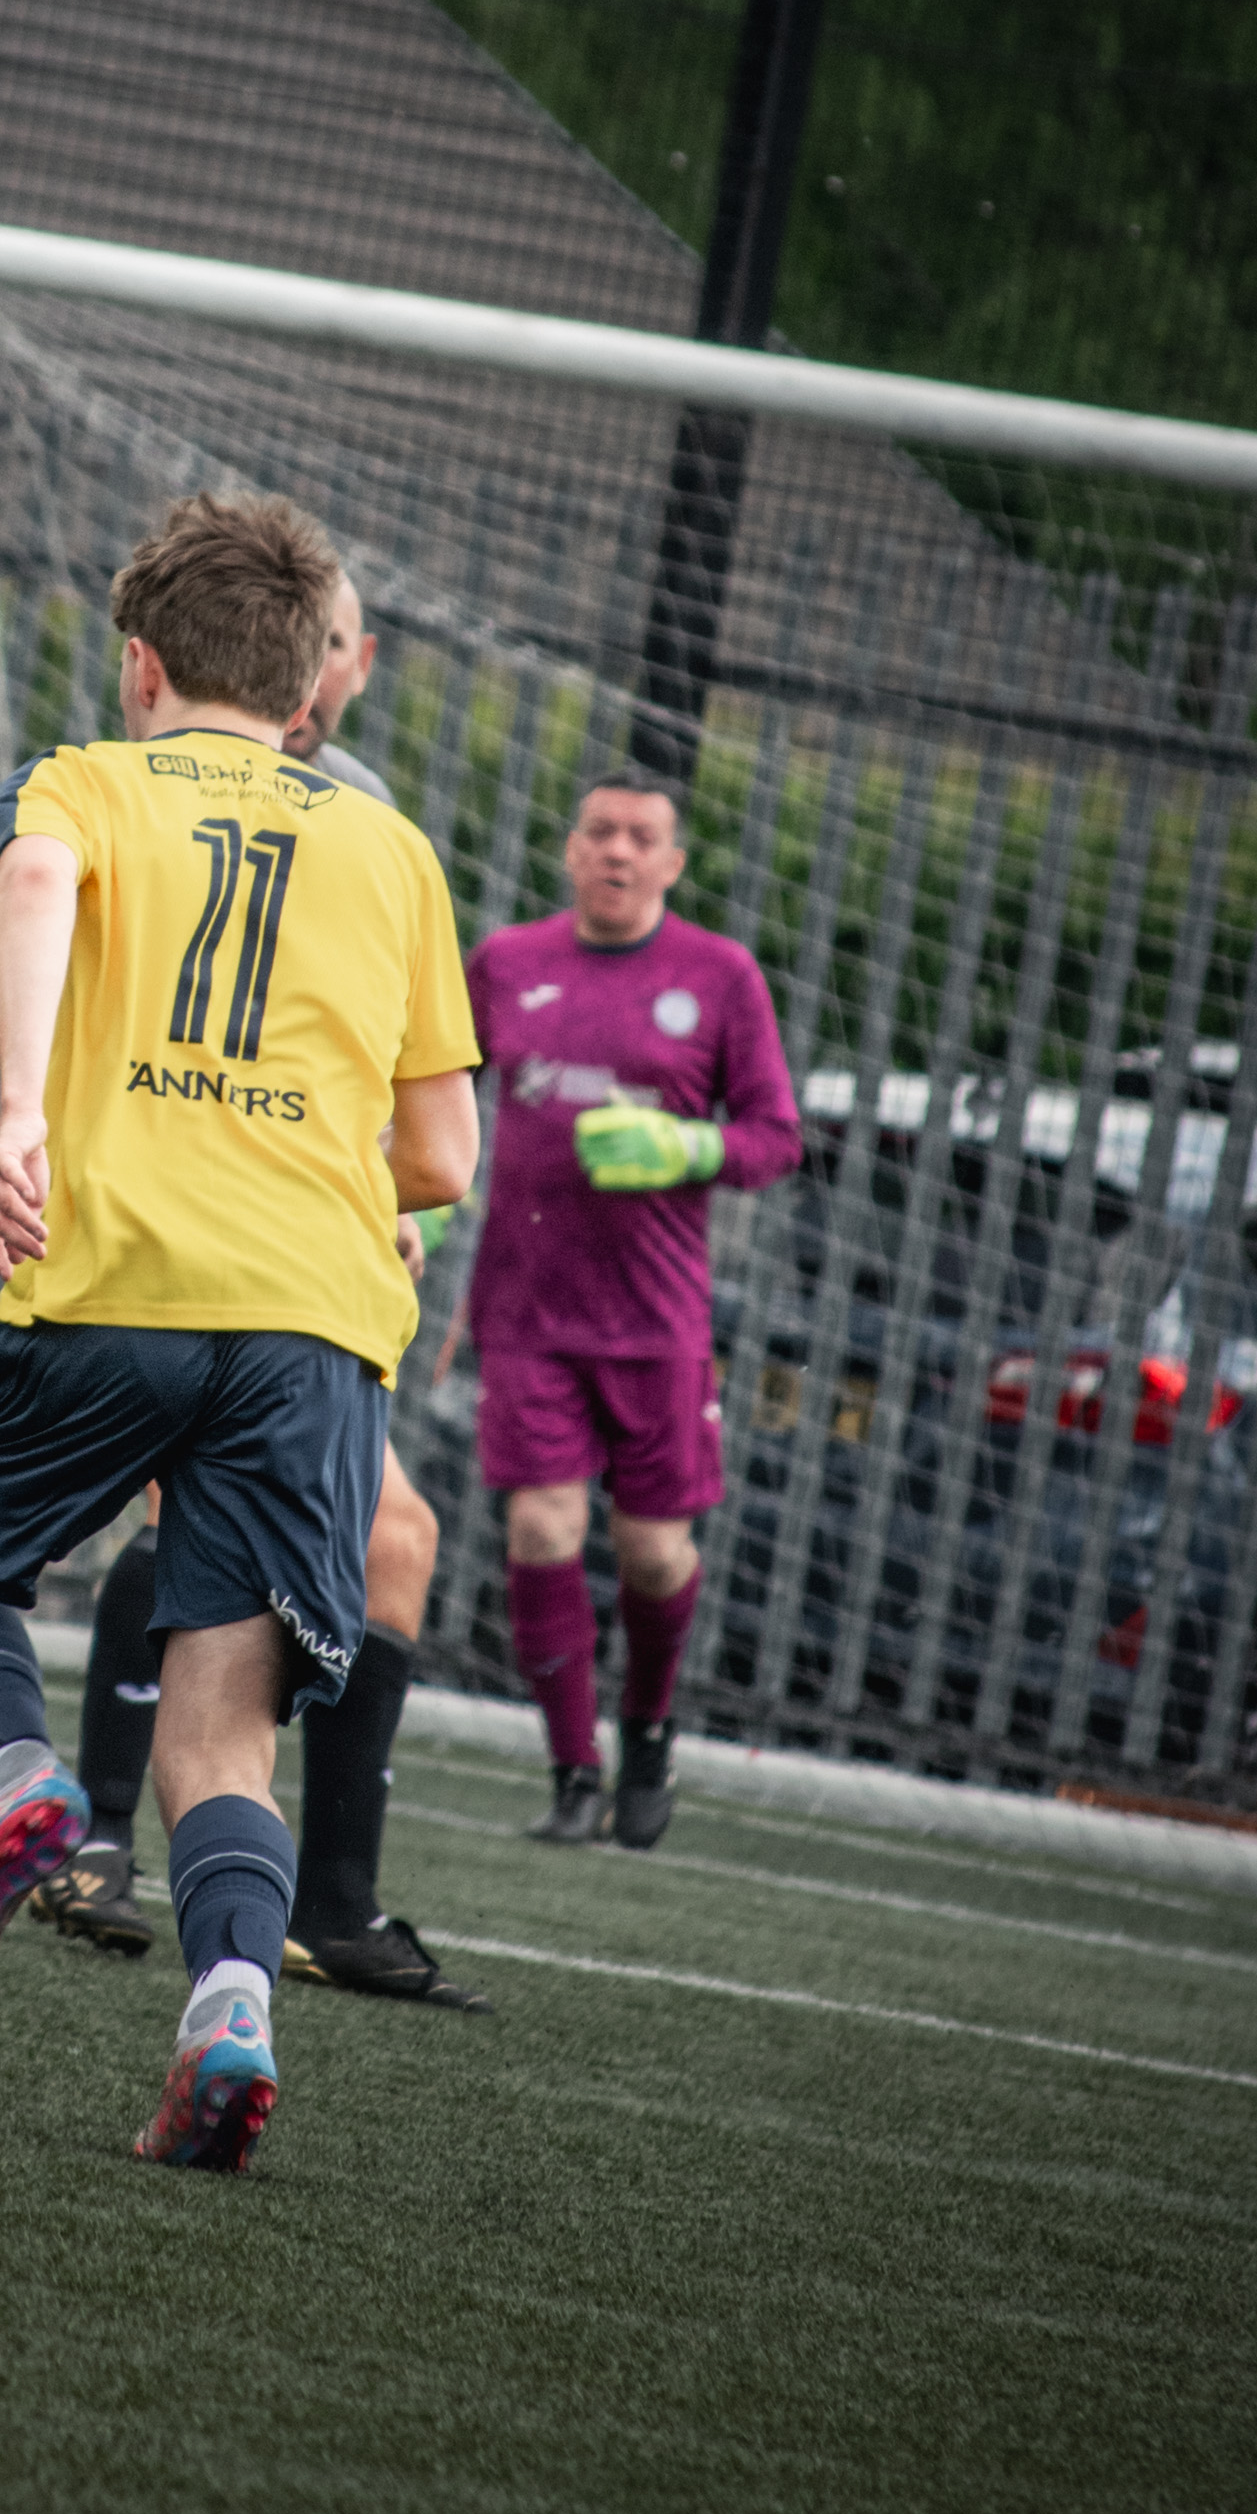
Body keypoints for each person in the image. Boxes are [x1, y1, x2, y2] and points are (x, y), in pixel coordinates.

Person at [0, 495, 480, 2172]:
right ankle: (232, 2008)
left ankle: (15, 1785)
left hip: (110, 1272)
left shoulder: (82, 783)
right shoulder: (394, 851)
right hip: (313, 1327)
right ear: (313, 689)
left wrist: (25, 1108)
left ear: (138, 663)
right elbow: (441, 1159)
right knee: (224, 1732)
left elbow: (36, 905)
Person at [464, 765, 799, 1849]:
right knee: (538, 1526)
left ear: (670, 862)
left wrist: (688, 1143)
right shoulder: (506, 963)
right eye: (598, 832)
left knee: (654, 1554)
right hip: (524, 1309)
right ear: (570, 850)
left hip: (655, 1320)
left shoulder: (719, 975)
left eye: (638, 837)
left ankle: (646, 1729)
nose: (615, 851)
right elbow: (427, 1090)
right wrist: (416, 1203)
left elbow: (773, 1136)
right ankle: (573, 1770)